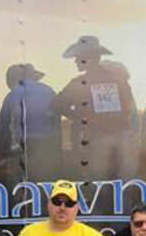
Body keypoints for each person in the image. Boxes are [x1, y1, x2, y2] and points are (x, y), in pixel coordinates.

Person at [52, 36, 137, 180]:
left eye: (79, 57)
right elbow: (128, 108)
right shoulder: (119, 82)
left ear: (87, 59)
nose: (76, 61)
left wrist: (77, 116)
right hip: (120, 139)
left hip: (94, 140)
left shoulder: (80, 83)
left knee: (97, 183)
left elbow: (56, 104)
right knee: (119, 182)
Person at [0, 63, 61, 182]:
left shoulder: (12, 94)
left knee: (23, 182)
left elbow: (3, 126)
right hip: (47, 146)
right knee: (44, 181)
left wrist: (3, 152)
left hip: (24, 147)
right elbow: (57, 122)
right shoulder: (49, 91)